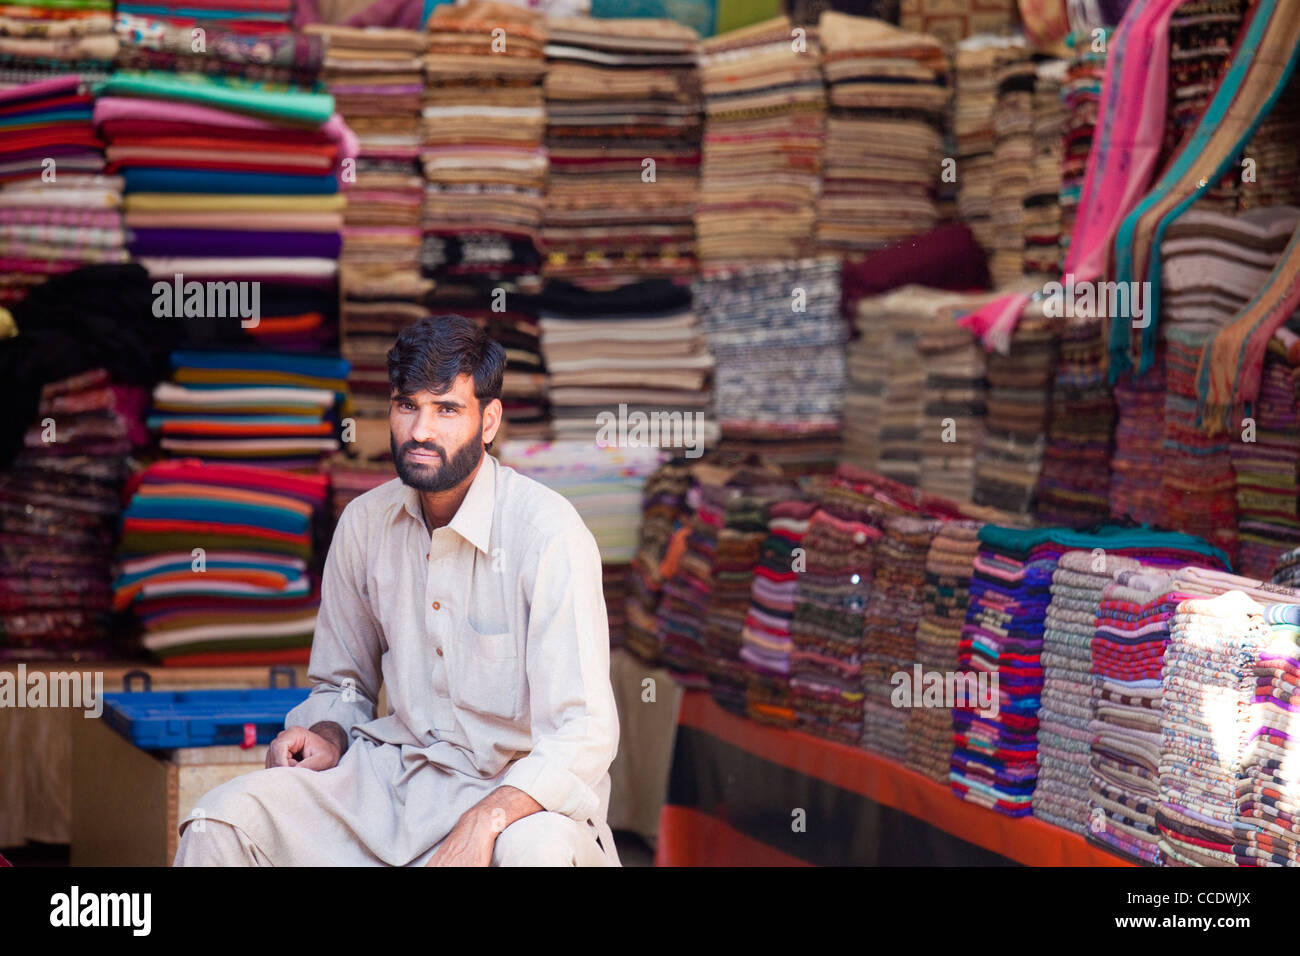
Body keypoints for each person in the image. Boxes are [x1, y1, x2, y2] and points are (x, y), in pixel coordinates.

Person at [173, 314, 620, 866]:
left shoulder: (548, 533)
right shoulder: (365, 523)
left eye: (447, 409)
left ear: (489, 420)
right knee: (224, 819)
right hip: (394, 782)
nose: (420, 431)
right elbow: (342, 684)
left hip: (517, 799)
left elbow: (583, 732)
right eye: (407, 405)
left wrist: (487, 819)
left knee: (538, 853)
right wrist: (329, 734)